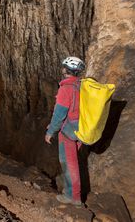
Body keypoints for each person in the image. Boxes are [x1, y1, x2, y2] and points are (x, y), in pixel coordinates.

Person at [45, 56, 85, 206]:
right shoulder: (81, 86)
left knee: (69, 164)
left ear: (65, 70)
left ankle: (73, 197)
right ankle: (73, 194)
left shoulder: (66, 89)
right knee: (74, 162)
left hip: (68, 132)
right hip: (81, 131)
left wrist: (50, 132)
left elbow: (59, 114)